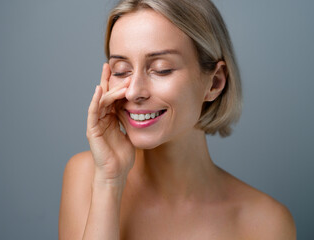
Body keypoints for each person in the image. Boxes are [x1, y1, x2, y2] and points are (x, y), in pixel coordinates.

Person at [59, 0, 296, 239]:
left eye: (161, 69)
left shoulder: (267, 224)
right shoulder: (87, 177)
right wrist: (110, 181)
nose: (133, 92)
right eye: (121, 71)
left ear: (214, 83)